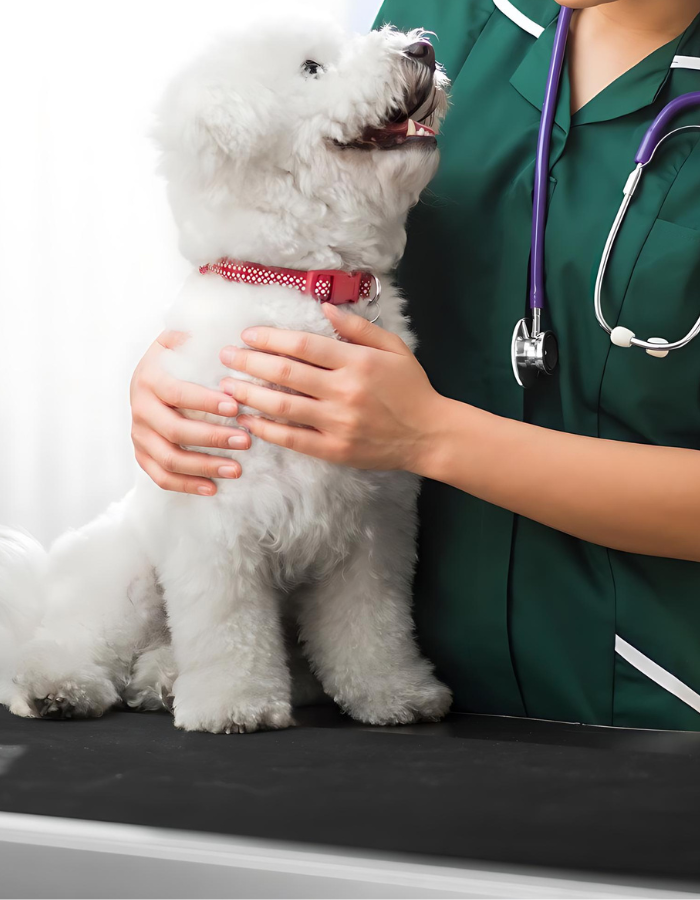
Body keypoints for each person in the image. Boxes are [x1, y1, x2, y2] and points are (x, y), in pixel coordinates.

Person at [130, 0, 700, 731]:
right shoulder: (444, 20)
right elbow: (296, 205)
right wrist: (187, 356)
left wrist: (433, 438)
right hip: (384, 712)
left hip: (654, 713)